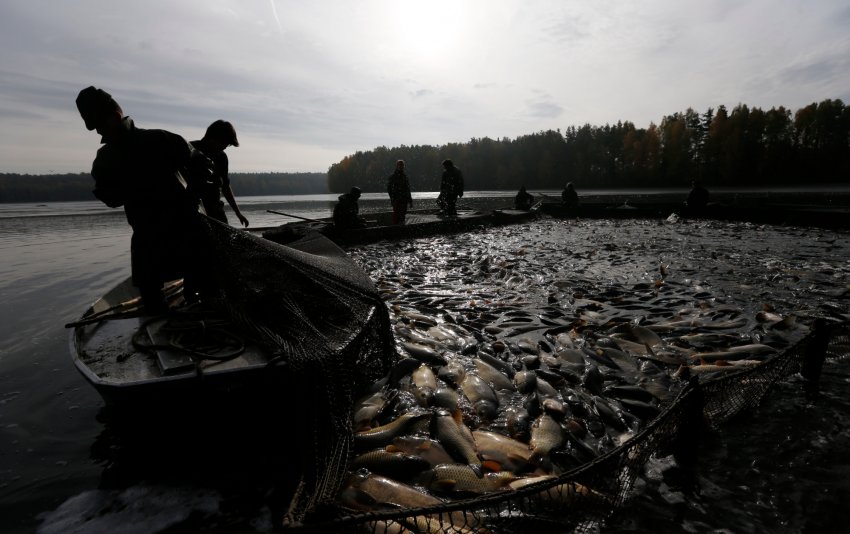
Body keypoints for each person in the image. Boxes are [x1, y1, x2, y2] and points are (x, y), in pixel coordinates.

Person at [75, 86, 214, 313]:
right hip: (147, 235)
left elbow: (203, 164)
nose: (99, 132)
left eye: (100, 124)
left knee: (203, 291)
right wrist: (113, 190)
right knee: (152, 300)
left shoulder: (160, 139)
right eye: (95, 127)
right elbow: (111, 198)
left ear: (116, 116)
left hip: (187, 227)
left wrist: (191, 198)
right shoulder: (105, 158)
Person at [191, 120, 249, 227]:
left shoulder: (222, 157)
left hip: (216, 211)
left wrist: (238, 213)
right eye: (225, 143)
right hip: (192, 211)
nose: (226, 146)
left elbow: (225, 187)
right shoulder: (189, 149)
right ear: (213, 138)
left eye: (228, 144)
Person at [386, 160, 413, 225]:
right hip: (396, 199)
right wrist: (392, 198)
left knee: (403, 214)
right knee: (396, 215)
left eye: (402, 165)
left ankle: (401, 227)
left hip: (404, 199)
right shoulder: (393, 176)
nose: (401, 167)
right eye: (400, 165)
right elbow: (389, 188)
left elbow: (408, 189)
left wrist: (410, 201)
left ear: (404, 166)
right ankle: (396, 228)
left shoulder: (405, 177)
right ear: (397, 166)